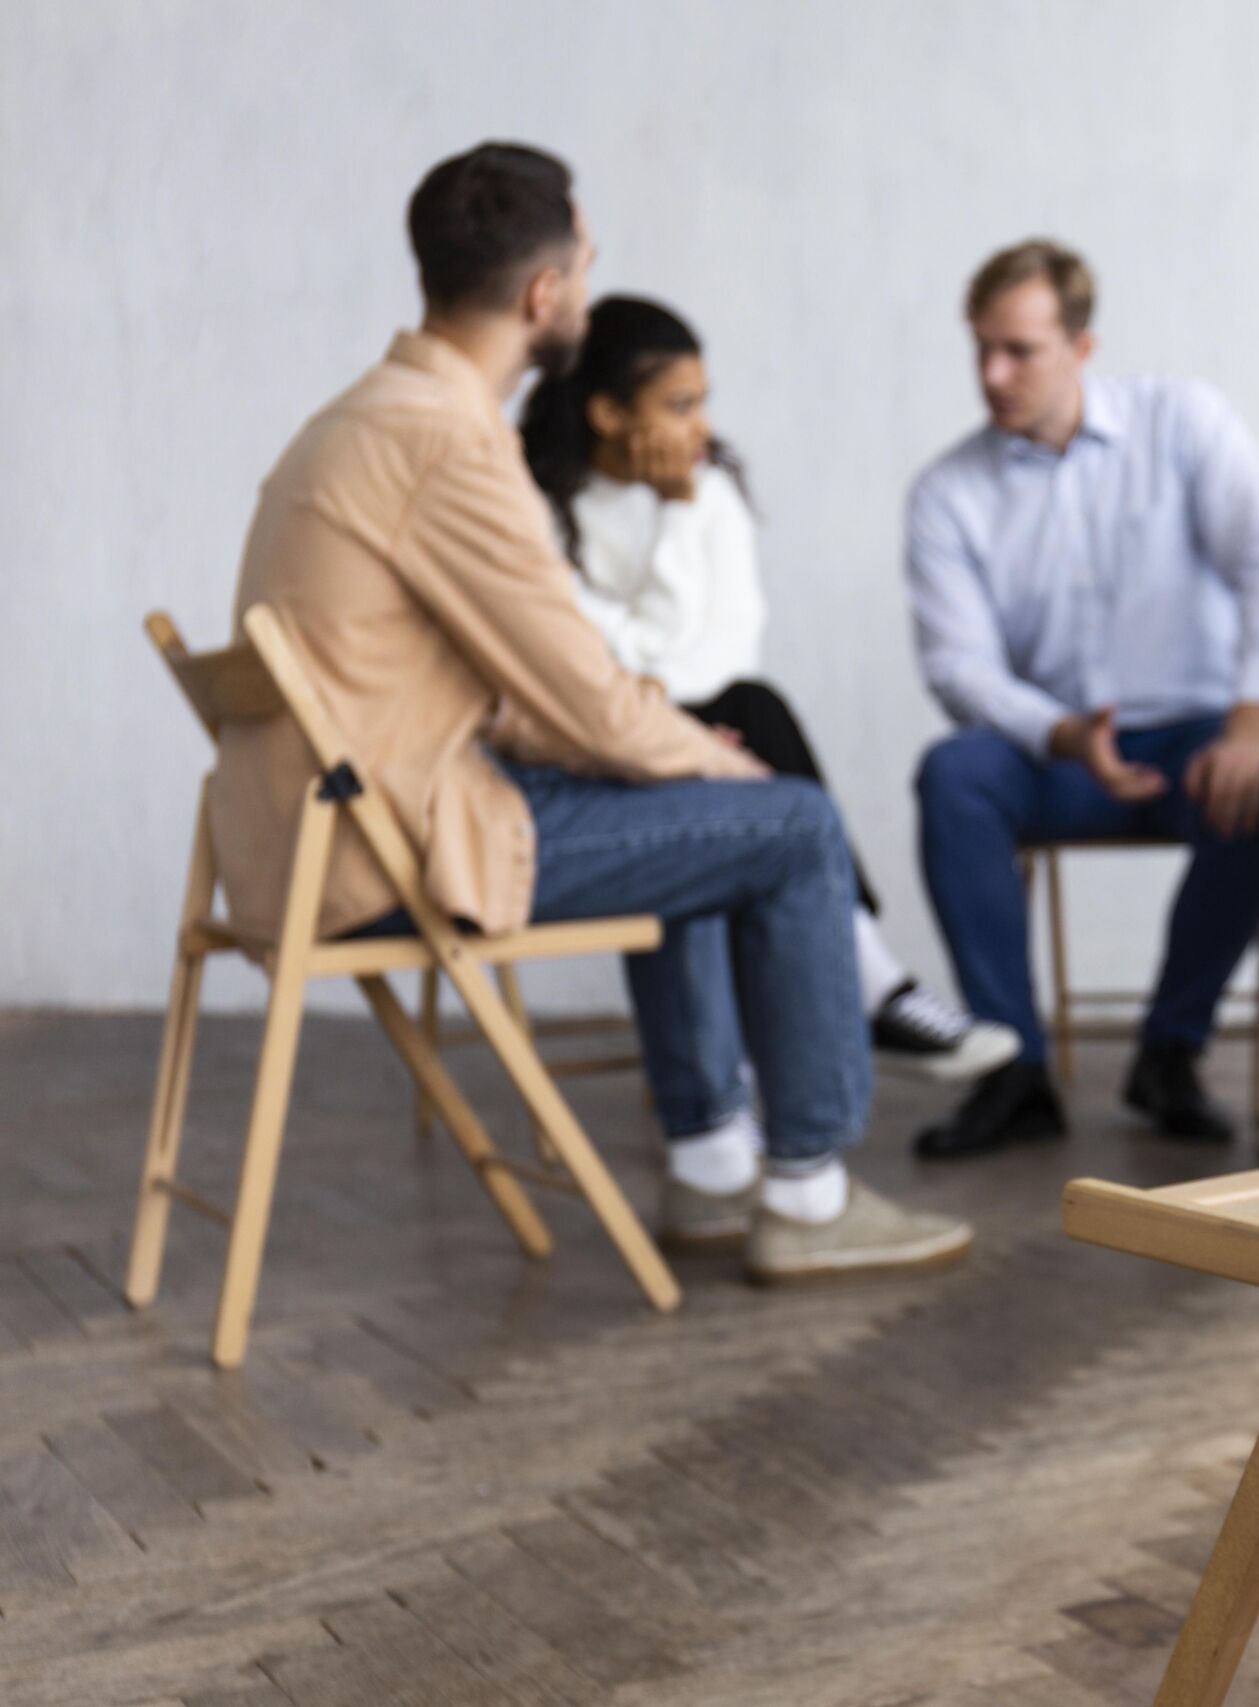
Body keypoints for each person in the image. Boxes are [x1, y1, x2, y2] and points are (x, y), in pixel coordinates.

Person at [207, 142, 969, 1281]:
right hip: (389, 851)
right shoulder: (449, 442)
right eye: (588, 265)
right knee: (793, 824)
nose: (591, 291)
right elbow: (584, 697)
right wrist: (711, 763)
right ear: (543, 294)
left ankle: (712, 1164)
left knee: (680, 787)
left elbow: (514, 690)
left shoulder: (362, 416)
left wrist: (672, 752)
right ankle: (807, 1195)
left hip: (322, 833)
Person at [517, 294, 1019, 1087]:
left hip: (711, 724)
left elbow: (721, 649)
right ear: (609, 413)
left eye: (704, 401)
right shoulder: (543, 511)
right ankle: (873, 983)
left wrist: (675, 701)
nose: (702, 428)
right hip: (600, 743)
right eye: (679, 405)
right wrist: (673, 535)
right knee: (750, 728)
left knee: (752, 707)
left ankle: (817, 1022)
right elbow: (602, 663)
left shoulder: (710, 491)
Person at [905, 238, 1259, 1158]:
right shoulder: (948, 492)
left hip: (1195, 738)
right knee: (953, 774)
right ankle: (1012, 1068)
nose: (993, 373)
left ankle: (1172, 1048)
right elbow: (958, 667)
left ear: (1082, 347)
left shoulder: (1186, 422)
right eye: (981, 349)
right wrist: (1057, 732)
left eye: (1019, 350)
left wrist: (1253, 722)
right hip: (1056, 750)